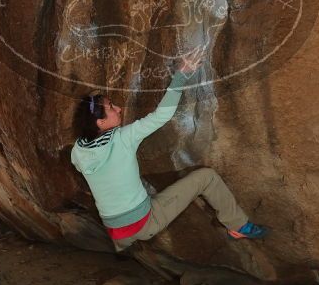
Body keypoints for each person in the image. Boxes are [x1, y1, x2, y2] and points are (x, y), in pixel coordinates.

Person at [71, 54, 268, 252]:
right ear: (101, 123)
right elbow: (161, 116)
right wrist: (181, 76)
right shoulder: (123, 138)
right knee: (207, 178)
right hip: (142, 223)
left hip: (114, 229)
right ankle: (238, 226)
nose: (119, 109)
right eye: (112, 108)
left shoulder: (78, 152)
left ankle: (125, 246)